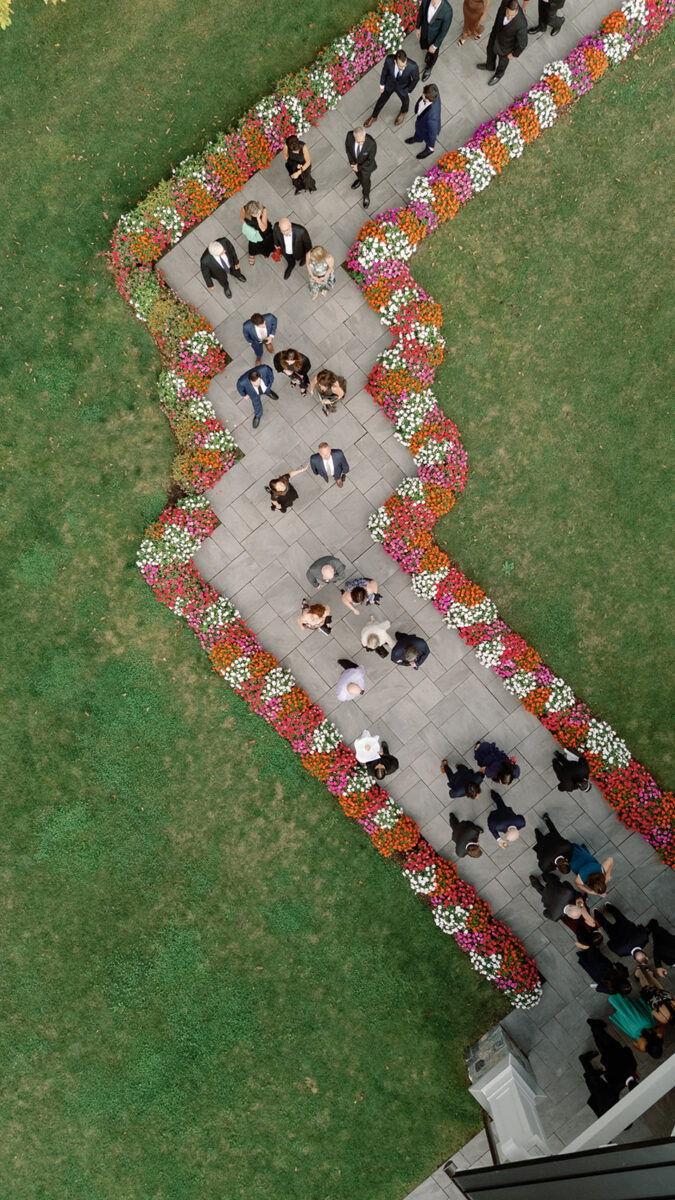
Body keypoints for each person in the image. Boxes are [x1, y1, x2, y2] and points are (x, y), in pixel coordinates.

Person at [364, 49, 420, 128]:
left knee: (405, 100)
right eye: (401, 66)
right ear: (395, 61)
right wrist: (382, 85)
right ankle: (374, 116)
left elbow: (416, 79)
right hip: (389, 84)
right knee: (381, 100)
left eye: (405, 65)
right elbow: (384, 72)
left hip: (403, 87)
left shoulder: (413, 66)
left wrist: (408, 90)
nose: (403, 68)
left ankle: (403, 112)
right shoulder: (389, 60)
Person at [477, 0, 528, 86]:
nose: (509, 17)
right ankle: (490, 66)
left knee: (502, 62)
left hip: (507, 46)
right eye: (507, 14)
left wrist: (514, 54)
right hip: (496, 35)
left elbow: (523, 43)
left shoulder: (521, 24)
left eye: (512, 15)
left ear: (516, 11)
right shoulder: (505, 2)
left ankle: (499, 75)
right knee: (490, 50)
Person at [585, 1019, 639, 1095]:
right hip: (606, 1058)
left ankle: (594, 1024)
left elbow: (627, 1050)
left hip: (616, 1049)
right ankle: (593, 1028)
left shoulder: (633, 1066)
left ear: (636, 1081)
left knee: (604, 1036)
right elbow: (607, 1075)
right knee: (599, 1043)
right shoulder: (617, 1083)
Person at [416, 0, 454, 79]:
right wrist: (418, 27)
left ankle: (429, 68)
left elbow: (444, 31)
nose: (433, 3)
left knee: (433, 55)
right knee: (424, 45)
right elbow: (421, 13)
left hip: (434, 38)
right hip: (425, 31)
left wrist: (435, 45)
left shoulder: (447, 11)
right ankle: (428, 52)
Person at [578, 1051, 623, 1118]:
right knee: (592, 1079)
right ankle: (589, 1072)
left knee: (593, 1078)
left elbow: (617, 1095)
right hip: (598, 1097)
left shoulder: (618, 1110)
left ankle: (584, 1059)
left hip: (603, 1092)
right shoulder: (608, 1119)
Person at [404, 84, 442, 159]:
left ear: (427, 98)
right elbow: (434, 86)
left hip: (426, 128)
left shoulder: (432, 118)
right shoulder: (434, 89)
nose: (422, 94)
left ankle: (429, 150)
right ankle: (418, 138)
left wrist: (431, 146)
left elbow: (432, 134)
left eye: (423, 94)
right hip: (422, 121)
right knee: (419, 131)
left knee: (427, 136)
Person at [345, 126, 377, 210]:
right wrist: (352, 163)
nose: (360, 144)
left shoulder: (371, 144)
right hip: (354, 164)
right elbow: (348, 149)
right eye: (358, 141)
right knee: (359, 175)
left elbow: (370, 160)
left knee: (366, 182)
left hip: (366, 167)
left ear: (365, 135)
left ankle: (366, 195)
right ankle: (359, 179)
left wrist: (358, 167)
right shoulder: (349, 135)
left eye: (362, 141)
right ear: (354, 136)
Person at [239, 200, 275, 266]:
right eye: (254, 214)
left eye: (257, 213)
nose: (256, 214)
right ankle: (252, 255)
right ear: (249, 213)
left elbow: (264, 228)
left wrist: (258, 219)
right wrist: (249, 228)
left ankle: (265, 253)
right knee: (253, 245)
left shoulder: (263, 210)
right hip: (253, 233)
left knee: (266, 243)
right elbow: (242, 218)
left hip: (263, 232)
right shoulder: (244, 209)